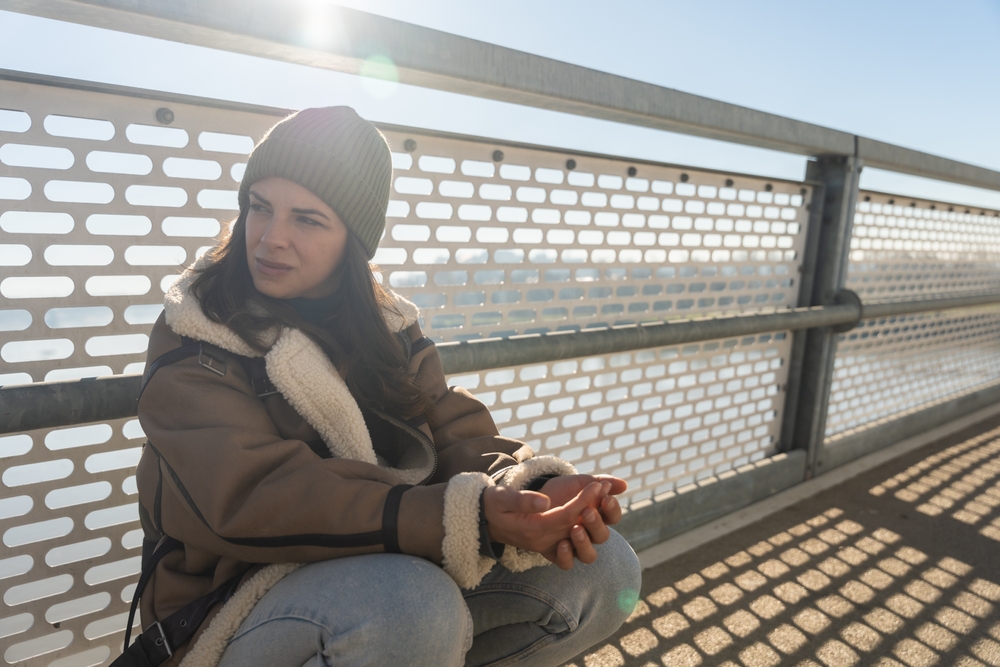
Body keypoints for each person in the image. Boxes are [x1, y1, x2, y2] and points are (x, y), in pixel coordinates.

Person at [130, 106, 641, 667]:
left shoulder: (388, 328)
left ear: (354, 239)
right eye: (259, 207)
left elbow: (451, 435)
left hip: (383, 573)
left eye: (307, 219)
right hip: (228, 610)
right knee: (409, 604)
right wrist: (465, 518)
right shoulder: (197, 330)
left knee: (603, 566)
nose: (270, 239)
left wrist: (529, 492)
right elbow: (251, 495)